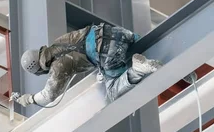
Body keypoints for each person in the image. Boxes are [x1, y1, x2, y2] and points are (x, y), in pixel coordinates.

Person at [12, 22, 168, 108]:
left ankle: (138, 70)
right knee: (145, 48)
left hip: (108, 53)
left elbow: (49, 95)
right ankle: (152, 59)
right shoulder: (59, 42)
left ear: (39, 69)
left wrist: (31, 99)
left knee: (113, 92)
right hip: (118, 33)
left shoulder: (58, 67)